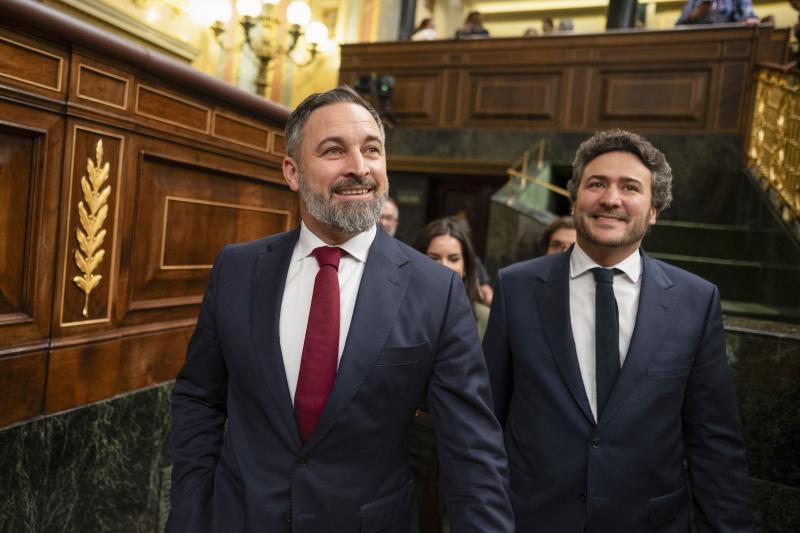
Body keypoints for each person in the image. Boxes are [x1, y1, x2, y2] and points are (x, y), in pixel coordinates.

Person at [167, 86, 513, 533]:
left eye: (372, 150)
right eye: (334, 150)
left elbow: (473, 451)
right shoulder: (237, 269)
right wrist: (191, 512)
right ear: (292, 171)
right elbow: (200, 398)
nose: (359, 167)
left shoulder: (436, 291)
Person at [483, 129, 751, 531]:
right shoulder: (516, 288)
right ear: (575, 198)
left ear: (654, 209)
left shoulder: (695, 301)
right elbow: (486, 420)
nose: (610, 199)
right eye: (596, 184)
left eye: (630, 187)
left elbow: (714, 443)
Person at [414, 218, 490, 338]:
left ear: (465, 267)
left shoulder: (485, 318)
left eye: (453, 259)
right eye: (434, 258)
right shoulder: (399, 312)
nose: (444, 266)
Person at [676, 0, 758, 25]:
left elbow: (748, 16)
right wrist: (696, 13)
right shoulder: (695, 1)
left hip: (730, 43)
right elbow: (679, 25)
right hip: (701, 44)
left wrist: (747, 20)